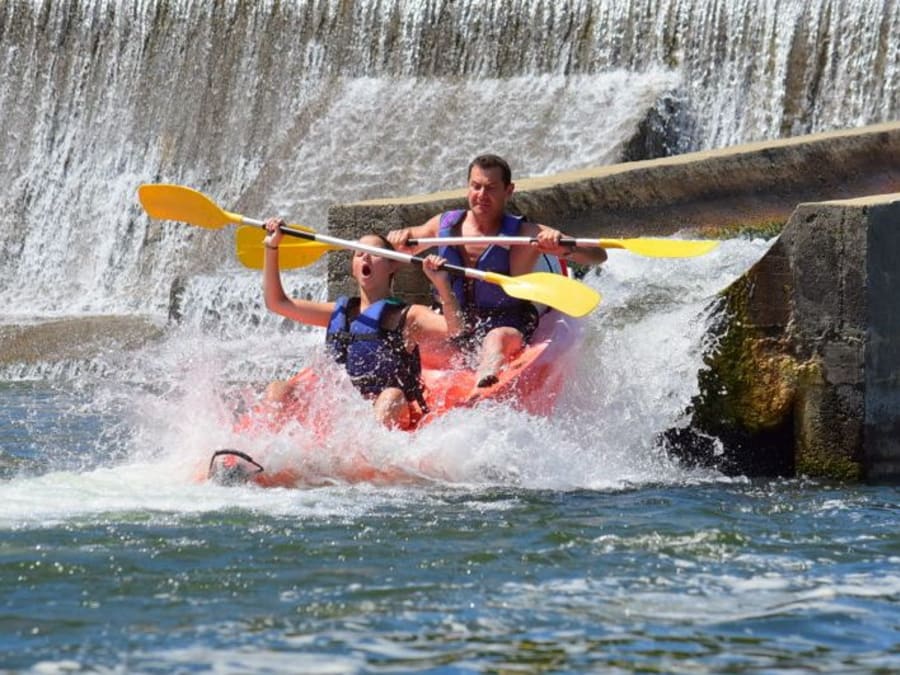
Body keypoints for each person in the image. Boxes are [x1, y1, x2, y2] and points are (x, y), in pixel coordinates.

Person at [387, 153, 607, 387]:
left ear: (508, 191)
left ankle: (484, 382)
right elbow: (408, 239)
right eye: (476, 186)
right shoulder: (444, 225)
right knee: (409, 321)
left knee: (495, 339)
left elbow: (597, 255)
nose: (482, 195)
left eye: (491, 188)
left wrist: (563, 247)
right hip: (456, 321)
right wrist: (399, 237)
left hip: (508, 323)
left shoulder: (524, 233)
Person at [261, 218, 464, 430]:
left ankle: (364, 459)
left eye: (374, 253)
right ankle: (267, 457)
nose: (365, 256)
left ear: (392, 265)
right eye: (359, 254)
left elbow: (455, 329)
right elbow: (277, 303)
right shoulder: (337, 312)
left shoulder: (408, 316)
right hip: (343, 411)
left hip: (393, 411)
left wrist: (442, 285)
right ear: (353, 268)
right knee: (278, 389)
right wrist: (271, 246)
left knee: (391, 396)